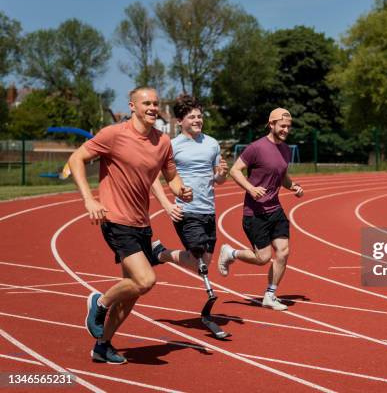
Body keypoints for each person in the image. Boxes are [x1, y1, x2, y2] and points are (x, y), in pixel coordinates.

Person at [68, 87, 192, 364]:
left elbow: (171, 177)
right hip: (115, 219)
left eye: (156, 104)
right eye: (146, 103)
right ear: (132, 106)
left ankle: (102, 345)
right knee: (145, 280)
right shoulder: (114, 134)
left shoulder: (163, 142)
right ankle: (99, 302)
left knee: (131, 294)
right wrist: (90, 200)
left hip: (141, 223)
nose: (152, 107)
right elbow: (76, 159)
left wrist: (181, 190)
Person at [217, 108, 304, 311]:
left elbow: (281, 176)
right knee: (263, 258)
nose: (285, 130)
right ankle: (231, 253)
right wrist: (251, 188)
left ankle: (270, 295)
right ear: (271, 124)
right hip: (255, 213)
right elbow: (234, 170)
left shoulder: (286, 149)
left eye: (288, 127)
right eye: (282, 126)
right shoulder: (256, 148)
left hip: (275, 209)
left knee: (283, 252)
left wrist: (293, 186)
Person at [150, 94, 227, 300]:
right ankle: (161, 254)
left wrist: (221, 174)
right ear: (180, 121)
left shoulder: (212, 143)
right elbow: (152, 178)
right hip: (186, 211)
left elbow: (218, 179)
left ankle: (161, 253)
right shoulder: (172, 146)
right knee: (198, 260)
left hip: (208, 210)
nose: (197, 120)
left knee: (205, 261)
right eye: (192, 117)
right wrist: (167, 205)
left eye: (199, 116)